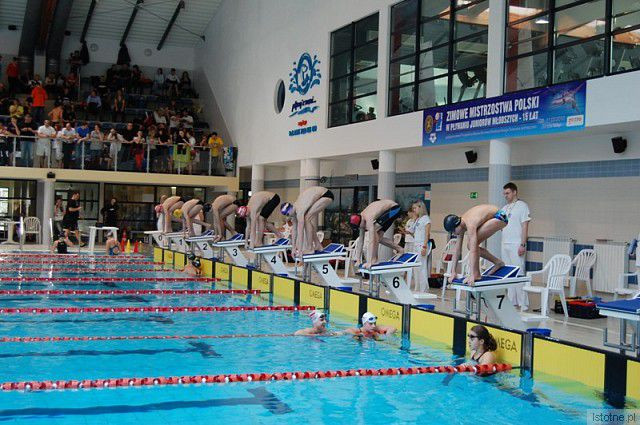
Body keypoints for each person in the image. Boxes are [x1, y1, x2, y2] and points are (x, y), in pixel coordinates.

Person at [443, 204, 508, 285]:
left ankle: (476, 274)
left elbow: (473, 250)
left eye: (453, 231)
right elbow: (457, 250)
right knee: (470, 245)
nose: (453, 234)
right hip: (494, 216)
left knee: (471, 245)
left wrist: (472, 275)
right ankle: (498, 262)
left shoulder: (470, 223)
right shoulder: (461, 225)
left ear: (457, 225)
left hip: (500, 217)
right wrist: (453, 272)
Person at [280, 186, 334, 257]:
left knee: (307, 218)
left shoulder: (300, 210)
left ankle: (310, 248)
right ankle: (318, 245)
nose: (288, 216)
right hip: (319, 195)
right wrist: (293, 248)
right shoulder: (294, 212)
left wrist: (300, 250)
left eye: (288, 214)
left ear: (290, 209)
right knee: (307, 218)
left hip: (326, 195)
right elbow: (294, 230)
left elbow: (300, 232)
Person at [501, 182, 531, 309]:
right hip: (505, 244)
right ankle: (512, 300)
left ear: (514, 192)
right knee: (508, 273)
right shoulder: (504, 208)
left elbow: (525, 226)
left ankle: (523, 303)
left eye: (507, 193)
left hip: (516, 244)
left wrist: (522, 244)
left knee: (518, 272)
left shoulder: (522, 206)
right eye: (504, 193)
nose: (505, 196)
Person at [351, 199, 404, 268]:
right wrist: (358, 260)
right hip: (390, 210)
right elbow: (361, 241)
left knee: (374, 233)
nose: (362, 228)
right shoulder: (361, 220)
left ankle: (374, 260)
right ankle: (400, 249)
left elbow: (371, 241)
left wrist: (369, 261)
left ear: (361, 221)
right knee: (378, 238)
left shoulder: (368, 218)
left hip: (394, 208)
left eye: (360, 226)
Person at [410, 201, 431, 292]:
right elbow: (412, 232)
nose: (414, 210)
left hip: (422, 245)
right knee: (416, 267)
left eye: (415, 208)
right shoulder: (418, 219)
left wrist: (424, 247)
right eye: (413, 209)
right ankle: (417, 287)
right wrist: (414, 219)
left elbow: (427, 234)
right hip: (416, 244)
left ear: (420, 207)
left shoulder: (426, 219)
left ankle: (424, 288)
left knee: (422, 267)